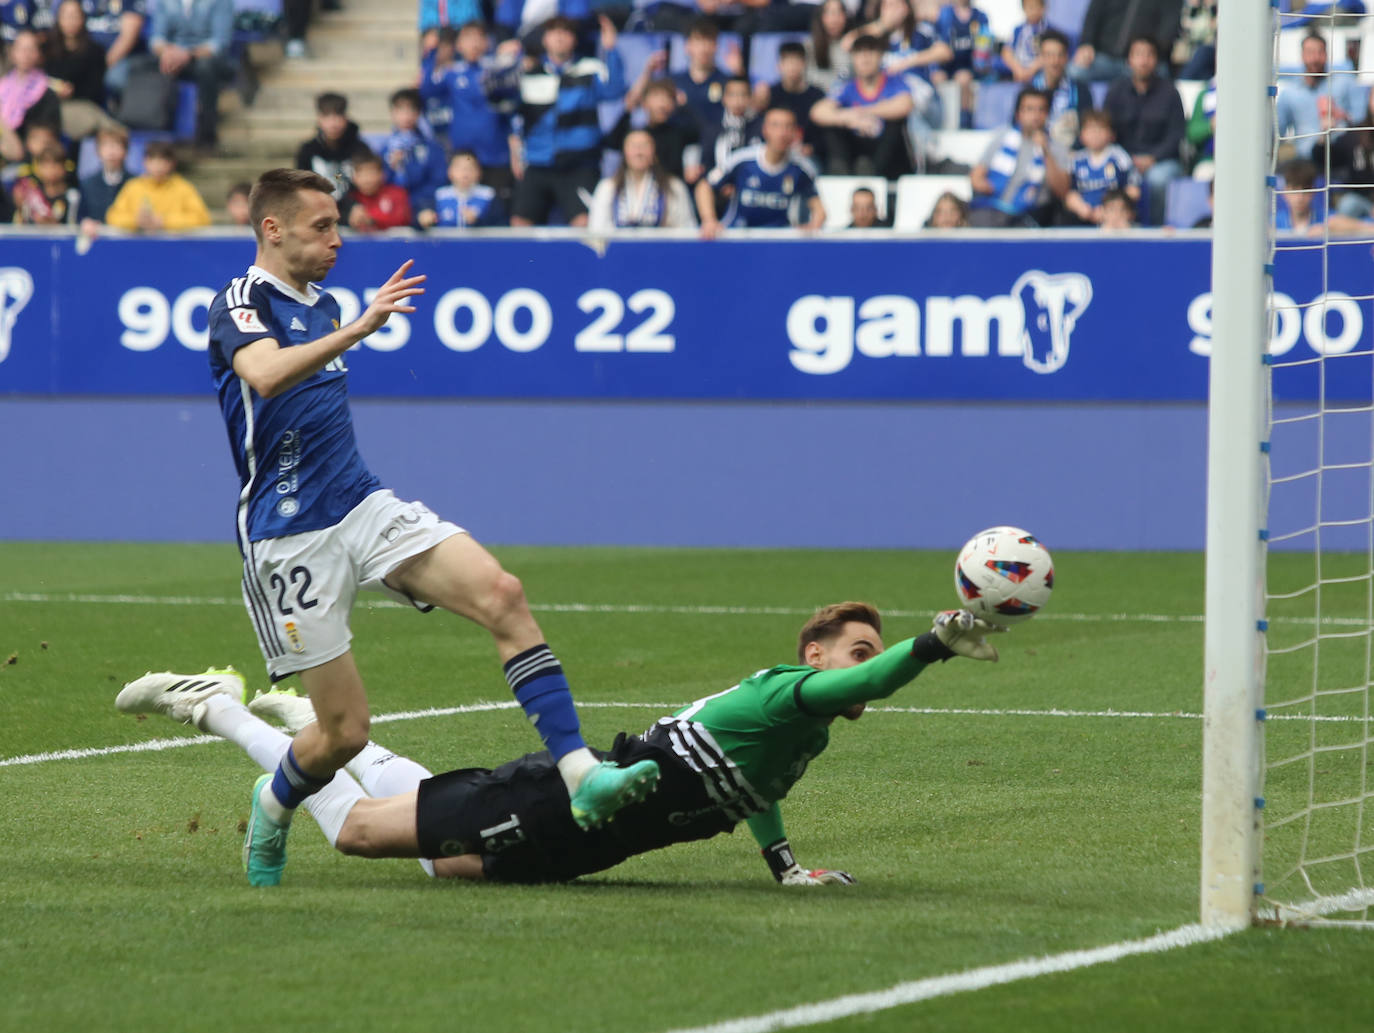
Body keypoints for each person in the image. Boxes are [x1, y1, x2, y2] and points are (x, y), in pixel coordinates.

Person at [196, 167, 658, 886]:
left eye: (337, 224)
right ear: (272, 228)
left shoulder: (324, 303)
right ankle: (276, 799)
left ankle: (580, 772)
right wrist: (362, 325)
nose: (337, 239)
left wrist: (351, 320)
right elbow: (263, 375)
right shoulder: (240, 302)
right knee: (344, 733)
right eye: (321, 226)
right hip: (291, 537)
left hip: (362, 503)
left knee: (501, 592)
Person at [115, 604, 1003, 885]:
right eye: (855, 648)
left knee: (438, 863)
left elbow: (747, 788)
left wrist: (784, 866)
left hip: (588, 844)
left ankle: (292, 724)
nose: (862, 665)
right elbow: (868, 682)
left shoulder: (792, 734)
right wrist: (927, 648)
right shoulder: (788, 691)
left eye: (871, 650)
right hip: (552, 804)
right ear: (817, 657)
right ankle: (223, 710)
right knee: (355, 834)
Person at [498, 15, 625, 228]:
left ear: (574, 39)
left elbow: (614, 90)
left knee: (584, 225)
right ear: (544, 39)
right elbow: (509, 110)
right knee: (519, 224)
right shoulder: (527, 73)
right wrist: (504, 62)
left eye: (565, 32)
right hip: (538, 163)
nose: (559, 36)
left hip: (580, 165)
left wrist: (611, 50)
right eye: (553, 32)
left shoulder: (590, 69)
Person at [420, 21, 514, 198]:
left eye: (479, 37)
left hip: (495, 154)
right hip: (463, 156)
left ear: (487, 43)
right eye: (468, 38)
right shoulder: (451, 73)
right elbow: (426, 90)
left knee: (494, 210)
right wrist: (432, 52)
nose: (474, 43)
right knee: (463, 208)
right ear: (459, 45)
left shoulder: (498, 70)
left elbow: (511, 104)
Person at [697, 106, 824, 236]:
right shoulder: (742, 160)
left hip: (778, 240)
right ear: (765, 130)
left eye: (788, 127)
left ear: (795, 133)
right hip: (737, 235)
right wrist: (709, 219)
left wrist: (814, 226)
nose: (782, 133)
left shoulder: (801, 168)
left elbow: (819, 209)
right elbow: (704, 186)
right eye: (776, 126)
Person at [1103, 35, 1183, 225]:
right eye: (1138, 55)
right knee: (1105, 173)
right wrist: (1126, 158)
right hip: (1123, 157)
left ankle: (1153, 231)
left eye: (1149, 55)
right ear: (1129, 60)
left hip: (1160, 160)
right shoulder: (1116, 91)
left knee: (1158, 180)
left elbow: (1176, 135)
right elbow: (1107, 130)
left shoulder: (1170, 92)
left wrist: (1152, 158)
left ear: (1156, 60)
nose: (1143, 61)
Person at [810, 34, 915, 179]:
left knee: (895, 124)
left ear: (880, 55)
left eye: (870, 52)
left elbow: (905, 105)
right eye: (859, 53)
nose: (865, 59)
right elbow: (818, 112)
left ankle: (873, 172)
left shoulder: (893, 81)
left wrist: (863, 112)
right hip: (856, 148)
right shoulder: (848, 87)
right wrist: (848, 118)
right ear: (853, 59)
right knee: (832, 128)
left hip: (889, 157)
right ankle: (840, 170)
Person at [968, 86, 1069, 227]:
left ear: (1047, 115)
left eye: (1041, 110)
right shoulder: (1003, 138)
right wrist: (986, 185)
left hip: (1029, 215)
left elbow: (1063, 190)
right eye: (1029, 109)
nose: (1035, 115)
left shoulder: (1056, 148)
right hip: (991, 208)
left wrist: (1046, 151)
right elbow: (976, 175)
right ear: (1018, 114)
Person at [146, 0, 235, 150]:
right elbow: (156, 38)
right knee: (143, 66)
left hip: (208, 60)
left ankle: (207, 132)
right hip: (172, 56)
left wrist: (187, 54)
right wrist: (167, 52)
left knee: (206, 67)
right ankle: (154, 130)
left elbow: (220, 42)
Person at [1276, 32, 1364, 162]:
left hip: (1341, 159)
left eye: (1320, 52)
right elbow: (1277, 133)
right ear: (1302, 55)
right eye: (1310, 52)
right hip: (1306, 164)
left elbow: (1363, 121)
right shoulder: (1290, 93)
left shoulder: (1345, 83)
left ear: (1327, 54)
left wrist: (1340, 115)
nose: (1315, 58)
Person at [43, 0, 124, 140]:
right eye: (66, 16)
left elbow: (95, 88)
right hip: (50, 106)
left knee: (97, 122)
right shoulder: (47, 50)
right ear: (58, 19)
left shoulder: (95, 51)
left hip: (82, 105)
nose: (71, 21)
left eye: (75, 16)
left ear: (83, 19)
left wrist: (72, 91)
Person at [587, 129, 696, 231]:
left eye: (645, 146)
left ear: (654, 152)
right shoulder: (607, 187)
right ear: (624, 153)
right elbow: (596, 230)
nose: (639, 152)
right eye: (633, 146)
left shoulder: (674, 186)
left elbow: (685, 229)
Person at [607, 76, 703, 184]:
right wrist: (628, 110)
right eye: (657, 96)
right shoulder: (639, 135)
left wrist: (684, 106)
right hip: (640, 188)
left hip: (670, 190)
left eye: (668, 98)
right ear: (644, 103)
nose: (662, 104)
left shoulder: (679, 132)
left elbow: (699, 132)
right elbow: (612, 142)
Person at [104, 138, 211, 231]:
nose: (158, 166)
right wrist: (136, 221)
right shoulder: (133, 187)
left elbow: (202, 218)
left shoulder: (183, 188)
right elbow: (113, 216)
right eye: (153, 160)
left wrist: (164, 221)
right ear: (145, 162)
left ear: (172, 163)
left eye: (163, 161)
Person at [1069, 0, 1182, 84]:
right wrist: (1086, 44)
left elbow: (1168, 31)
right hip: (1106, 58)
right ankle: (1084, 115)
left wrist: (1147, 55)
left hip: (1144, 61)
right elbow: (1092, 17)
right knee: (1075, 72)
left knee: (1164, 82)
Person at [1062, 109, 1139, 225]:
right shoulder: (1076, 160)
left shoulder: (1120, 158)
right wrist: (1082, 209)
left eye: (1101, 129)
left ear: (1112, 134)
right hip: (1084, 217)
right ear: (1081, 135)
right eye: (1090, 129)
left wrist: (1109, 210)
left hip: (1114, 219)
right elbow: (1070, 195)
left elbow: (1134, 191)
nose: (1095, 134)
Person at [380, 88, 448, 213]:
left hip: (422, 206)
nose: (406, 116)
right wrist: (392, 167)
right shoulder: (386, 147)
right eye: (400, 110)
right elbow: (379, 181)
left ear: (418, 114)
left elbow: (438, 180)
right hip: (392, 207)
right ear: (392, 113)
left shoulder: (432, 147)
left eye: (411, 110)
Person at [756, 41, 827, 161]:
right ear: (779, 66)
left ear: (805, 64)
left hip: (807, 155)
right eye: (788, 62)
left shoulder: (817, 95)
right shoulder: (770, 94)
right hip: (774, 153)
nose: (793, 67)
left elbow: (824, 134)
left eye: (797, 61)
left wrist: (812, 148)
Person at [0, 29, 61, 161]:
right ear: (12, 53)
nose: (25, 55)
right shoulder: (3, 85)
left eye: (30, 50)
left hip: (27, 157)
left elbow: (41, 139)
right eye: (21, 49)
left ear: (38, 55)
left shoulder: (46, 92)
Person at [671, 18, 741, 129]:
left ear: (716, 46)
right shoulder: (674, 81)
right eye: (698, 41)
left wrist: (739, 74)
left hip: (715, 139)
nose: (704, 48)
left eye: (709, 41)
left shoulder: (727, 81)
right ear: (687, 46)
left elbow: (744, 111)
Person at [931, 0, 990, 129]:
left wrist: (980, 65)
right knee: (936, 77)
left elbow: (983, 48)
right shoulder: (944, 15)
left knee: (963, 78)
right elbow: (938, 43)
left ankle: (965, 119)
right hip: (947, 65)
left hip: (970, 66)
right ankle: (937, 117)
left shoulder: (980, 16)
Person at [295, 92, 362, 201]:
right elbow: (301, 186)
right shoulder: (308, 151)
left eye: (338, 115)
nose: (333, 123)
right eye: (327, 116)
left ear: (346, 117)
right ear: (319, 118)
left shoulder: (359, 149)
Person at [417, 149, 507, 228]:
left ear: (479, 172)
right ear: (449, 172)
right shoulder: (439, 196)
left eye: (470, 168)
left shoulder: (489, 196)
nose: (465, 173)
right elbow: (422, 222)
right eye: (459, 168)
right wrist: (423, 220)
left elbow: (500, 227)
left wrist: (478, 221)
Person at [1031, 29, 1088, 150]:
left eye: (1060, 55)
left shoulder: (1080, 90)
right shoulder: (1030, 89)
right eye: (1049, 55)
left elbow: (1086, 129)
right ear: (1040, 58)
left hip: (1069, 153)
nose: (1054, 62)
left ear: (1067, 57)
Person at [700, 75, 760, 176]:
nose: (738, 100)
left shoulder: (760, 126)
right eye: (733, 95)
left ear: (750, 98)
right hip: (718, 180)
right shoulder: (713, 127)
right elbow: (706, 163)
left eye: (743, 95)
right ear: (724, 98)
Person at [344, 148, 413, 232]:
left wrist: (371, 219)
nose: (367, 180)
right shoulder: (349, 199)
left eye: (371, 173)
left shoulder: (397, 194)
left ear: (382, 175)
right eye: (362, 174)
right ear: (354, 178)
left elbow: (403, 219)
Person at [9, 141, 79, 223]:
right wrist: (19, 204)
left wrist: (51, 223)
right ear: (38, 167)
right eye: (45, 164)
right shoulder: (30, 190)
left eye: (56, 164)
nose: (51, 169)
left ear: (64, 167)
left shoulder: (72, 196)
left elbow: (74, 224)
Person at [76, 124, 129, 230]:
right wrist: (85, 222)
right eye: (106, 145)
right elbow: (80, 216)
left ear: (126, 151)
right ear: (97, 151)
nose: (112, 152)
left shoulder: (134, 183)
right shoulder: (87, 183)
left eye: (117, 145)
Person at [807, 0, 854, 93]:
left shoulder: (852, 44)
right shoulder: (809, 46)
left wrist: (855, 35)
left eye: (839, 13)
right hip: (818, 100)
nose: (834, 19)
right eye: (829, 13)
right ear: (820, 17)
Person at [1001, 0, 1048, 83]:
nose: (1034, 11)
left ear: (1043, 8)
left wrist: (1031, 70)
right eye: (1030, 7)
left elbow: (1049, 54)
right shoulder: (1018, 30)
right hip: (1019, 71)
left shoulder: (1048, 30)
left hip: (1039, 73)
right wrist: (1017, 69)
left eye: (1037, 6)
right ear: (1023, 8)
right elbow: (1006, 52)